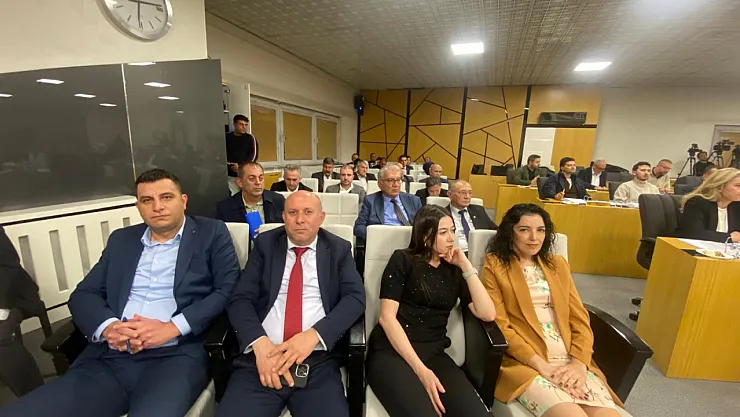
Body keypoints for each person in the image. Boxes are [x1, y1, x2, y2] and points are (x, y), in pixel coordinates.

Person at [0, 169, 240, 417]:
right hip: (111, 357)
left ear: (184, 200)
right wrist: (109, 327)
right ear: (138, 207)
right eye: (147, 200)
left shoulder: (211, 233)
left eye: (166, 197)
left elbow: (228, 288)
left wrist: (173, 327)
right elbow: (84, 293)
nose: (157, 206)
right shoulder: (122, 239)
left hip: (175, 356)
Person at [216, 192, 365, 417]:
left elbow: (355, 298)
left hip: (316, 361)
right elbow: (240, 298)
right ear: (283, 217)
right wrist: (260, 344)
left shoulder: (338, 249)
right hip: (262, 358)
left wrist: (314, 335)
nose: (300, 219)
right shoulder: (266, 244)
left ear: (321, 217)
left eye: (308, 212)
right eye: (293, 212)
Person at [481, 203, 622, 417]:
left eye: (540, 230)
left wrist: (579, 364)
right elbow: (501, 326)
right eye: (524, 230)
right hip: (527, 362)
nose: (534, 238)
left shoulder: (558, 264)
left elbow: (579, 319)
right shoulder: (495, 265)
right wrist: (542, 366)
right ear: (510, 232)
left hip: (569, 358)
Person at [366, 205, 495, 417]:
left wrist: (465, 266)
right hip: (393, 352)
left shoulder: (453, 268)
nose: (451, 238)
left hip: (434, 354)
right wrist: (421, 371)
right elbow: (387, 319)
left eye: (452, 230)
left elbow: (487, 313)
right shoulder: (403, 259)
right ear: (425, 236)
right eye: (443, 232)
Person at [0, 227, 44, 400]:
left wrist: (1, 310)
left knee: (1, 338)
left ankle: (39, 401)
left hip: (12, 296)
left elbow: (9, 264)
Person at [354, 165, 422, 241]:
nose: (395, 184)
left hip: (409, 241)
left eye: (398, 180)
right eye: (390, 180)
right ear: (380, 184)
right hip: (381, 242)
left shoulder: (414, 200)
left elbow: (422, 226)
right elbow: (359, 227)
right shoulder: (370, 201)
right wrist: (374, 237)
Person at [677, 168, 740, 243]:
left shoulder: (736, 206)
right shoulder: (697, 202)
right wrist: (729, 237)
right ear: (720, 186)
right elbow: (693, 233)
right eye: (738, 185)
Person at [216, 162, 285, 224]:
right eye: (252, 179)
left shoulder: (278, 201)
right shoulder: (225, 208)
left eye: (261, 178)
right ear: (240, 182)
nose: (258, 182)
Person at [445, 180, 497, 254]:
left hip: (481, 252)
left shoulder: (478, 210)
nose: (467, 197)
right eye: (463, 193)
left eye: (470, 193)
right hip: (457, 254)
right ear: (450, 194)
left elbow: (494, 229)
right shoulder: (443, 214)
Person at [226, 114, 259, 195]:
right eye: (241, 124)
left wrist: (241, 166)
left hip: (246, 175)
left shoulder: (250, 138)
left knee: (248, 195)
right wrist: (231, 165)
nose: (244, 127)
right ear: (234, 124)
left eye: (246, 125)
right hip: (231, 175)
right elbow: (222, 155)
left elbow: (254, 156)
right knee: (234, 196)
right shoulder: (227, 137)